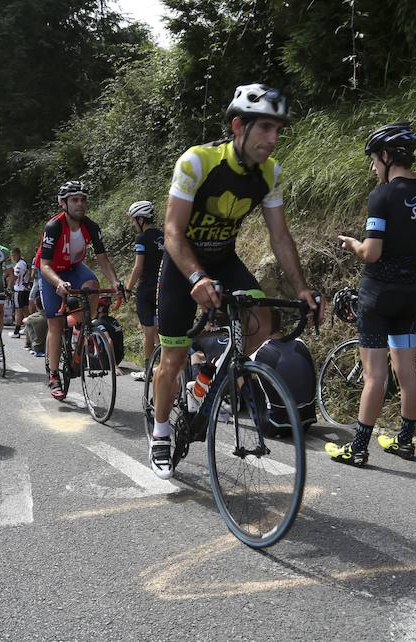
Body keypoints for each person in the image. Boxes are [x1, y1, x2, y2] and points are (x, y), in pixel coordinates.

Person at [149, 84, 321, 479]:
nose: (274, 139)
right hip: (182, 263)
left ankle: (207, 377)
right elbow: (173, 231)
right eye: (265, 128)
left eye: (278, 130)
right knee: (173, 357)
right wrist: (196, 276)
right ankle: (161, 432)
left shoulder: (269, 173)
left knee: (261, 318)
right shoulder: (198, 161)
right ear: (238, 126)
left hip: (224, 258)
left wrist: (302, 288)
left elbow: (280, 236)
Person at [326, 122, 416, 467]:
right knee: (408, 373)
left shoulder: (382, 195)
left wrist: (354, 244)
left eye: (373, 159)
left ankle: (359, 448)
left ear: (386, 156)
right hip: (409, 295)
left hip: (377, 295)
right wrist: (409, 255)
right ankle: (405, 442)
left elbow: (372, 253)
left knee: (375, 375)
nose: (372, 167)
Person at [34, 180, 124, 400]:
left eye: (83, 200)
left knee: (92, 286)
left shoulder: (91, 226)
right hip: (51, 271)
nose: (80, 204)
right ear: (63, 203)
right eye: (75, 200)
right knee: (55, 323)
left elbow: (102, 258)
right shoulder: (54, 226)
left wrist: (114, 281)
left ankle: (85, 327)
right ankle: (54, 374)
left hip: (73, 267)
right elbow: (44, 265)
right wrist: (58, 283)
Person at [250, 308, 317, 435]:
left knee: (244, 372)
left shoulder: (260, 351)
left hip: (275, 425)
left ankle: (231, 408)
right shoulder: (300, 343)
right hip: (305, 423)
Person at [124, 201, 164, 381]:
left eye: (133, 220)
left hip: (146, 289)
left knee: (148, 331)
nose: (133, 224)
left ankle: (148, 369)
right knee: (161, 330)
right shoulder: (164, 236)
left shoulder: (141, 238)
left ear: (141, 219)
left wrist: (128, 288)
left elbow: (138, 266)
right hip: (163, 288)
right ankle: (164, 367)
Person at [9, 247, 30, 338]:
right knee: (26, 310)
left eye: (13, 255)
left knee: (18, 311)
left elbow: (15, 277)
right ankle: (28, 328)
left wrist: (9, 287)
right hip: (25, 290)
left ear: (17, 254)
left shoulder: (19, 265)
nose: (12, 257)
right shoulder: (24, 263)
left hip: (19, 290)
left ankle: (16, 332)